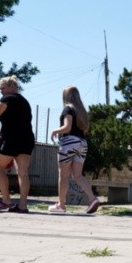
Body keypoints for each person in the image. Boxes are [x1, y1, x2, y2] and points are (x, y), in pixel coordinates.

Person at [0, 75, 35, 213]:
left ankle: (6, 201)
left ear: (12, 86)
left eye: (2, 88)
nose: (1, 91)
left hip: (11, 139)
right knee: (23, 173)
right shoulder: (24, 101)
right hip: (27, 139)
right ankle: (22, 206)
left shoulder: (7, 99)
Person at [49, 86, 100, 214]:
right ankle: (92, 199)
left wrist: (55, 130)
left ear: (66, 96)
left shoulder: (67, 109)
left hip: (69, 142)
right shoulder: (81, 111)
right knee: (78, 175)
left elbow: (67, 127)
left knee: (64, 175)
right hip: (82, 143)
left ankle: (61, 205)